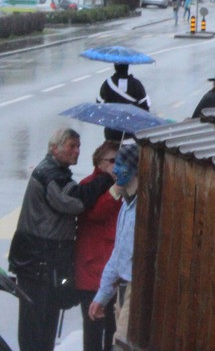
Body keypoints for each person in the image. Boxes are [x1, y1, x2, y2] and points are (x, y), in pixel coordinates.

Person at [10, 128, 115, 351]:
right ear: (54, 148)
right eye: (71, 146)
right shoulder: (50, 174)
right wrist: (107, 178)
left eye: (78, 146)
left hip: (46, 262)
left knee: (47, 322)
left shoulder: (59, 172)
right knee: (35, 327)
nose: (77, 151)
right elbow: (75, 202)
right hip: (36, 262)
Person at [89, 144, 139, 349]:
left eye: (121, 165)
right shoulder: (126, 205)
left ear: (135, 169)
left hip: (135, 291)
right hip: (122, 288)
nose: (115, 170)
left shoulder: (143, 207)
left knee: (121, 344)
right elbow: (118, 255)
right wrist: (102, 295)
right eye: (114, 164)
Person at [74, 141, 121, 351]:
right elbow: (95, 213)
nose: (116, 165)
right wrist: (115, 190)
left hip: (113, 268)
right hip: (92, 267)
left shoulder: (120, 187)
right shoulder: (89, 185)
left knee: (114, 328)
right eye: (112, 161)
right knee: (93, 328)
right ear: (99, 163)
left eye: (119, 161)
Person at [97, 63, 151, 142]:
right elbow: (145, 108)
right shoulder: (136, 84)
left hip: (111, 133)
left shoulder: (107, 84)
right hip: (133, 133)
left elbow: (99, 106)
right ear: (128, 67)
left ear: (114, 66)